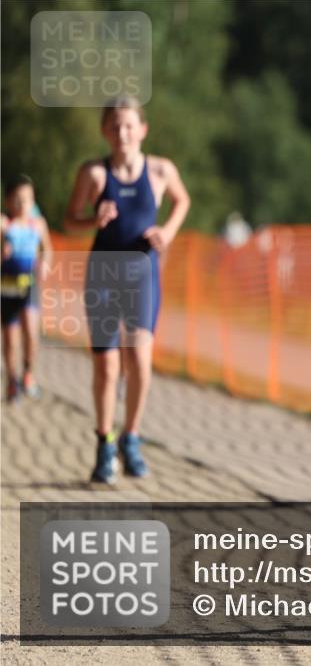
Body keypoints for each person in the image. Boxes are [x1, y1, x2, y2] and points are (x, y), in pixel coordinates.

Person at [64, 96, 190, 484]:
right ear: (105, 131)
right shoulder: (95, 174)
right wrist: (92, 220)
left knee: (139, 357)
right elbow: (70, 220)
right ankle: (105, 443)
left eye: (129, 125)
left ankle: (131, 437)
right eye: (115, 126)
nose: (122, 133)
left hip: (142, 274)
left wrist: (166, 232)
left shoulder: (160, 170)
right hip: (103, 273)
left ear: (142, 129)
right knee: (107, 364)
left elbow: (182, 200)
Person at [2, 175, 52, 402]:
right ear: (8, 202)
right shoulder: (4, 224)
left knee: (31, 332)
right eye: (18, 200)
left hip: (30, 283)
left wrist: (44, 263)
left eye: (28, 199)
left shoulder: (38, 224)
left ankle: (28, 374)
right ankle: (12, 380)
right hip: (7, 286)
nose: (24, 205)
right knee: (11, 339)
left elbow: (47, 250)